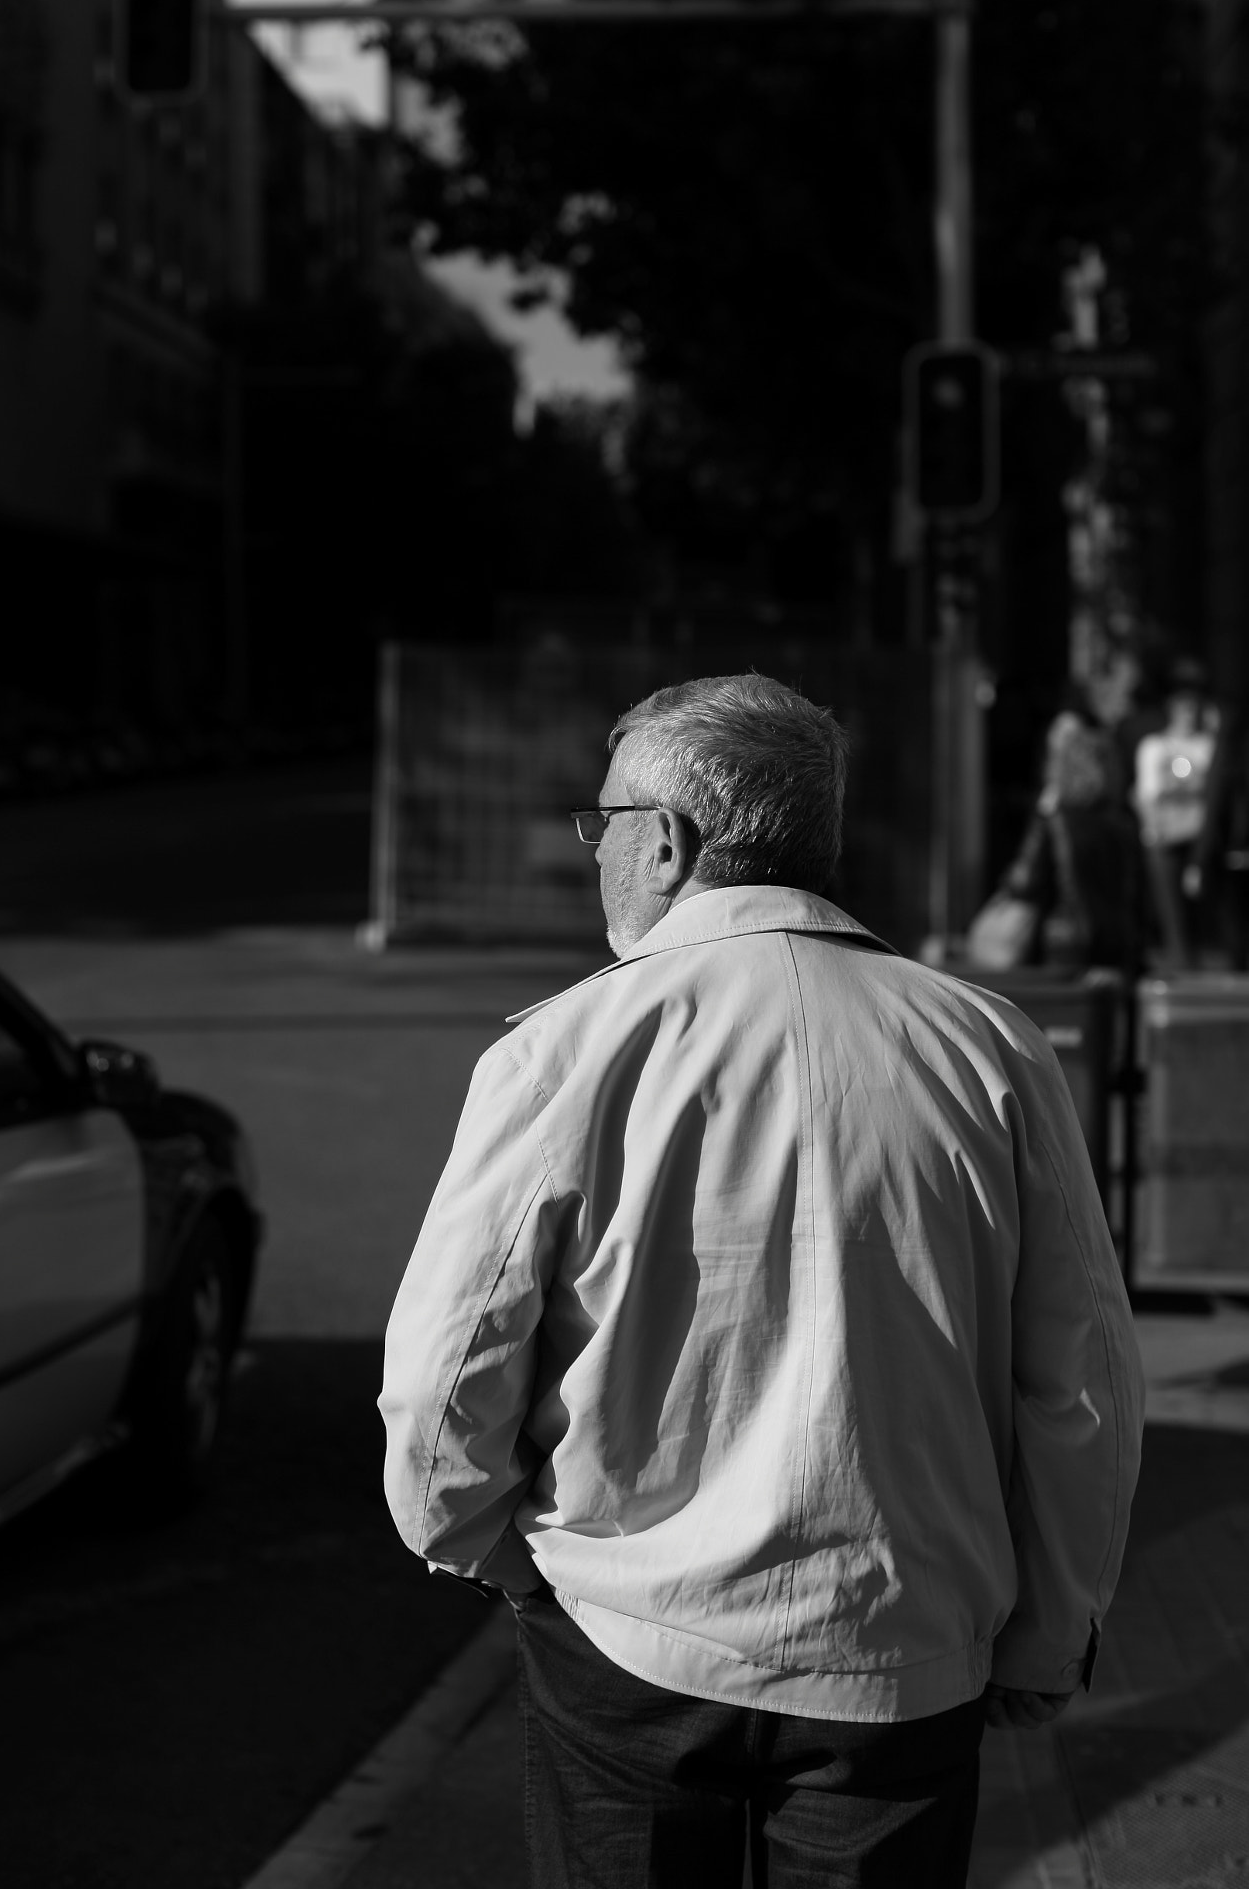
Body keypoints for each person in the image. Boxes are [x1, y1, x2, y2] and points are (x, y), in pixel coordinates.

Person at [381, 673, 1144, 1889]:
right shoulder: (991, 1047)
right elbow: (1084, 1382)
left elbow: (444, 1371)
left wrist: (483, 1546)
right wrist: (1045, 1639)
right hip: (902, 1652)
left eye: (604, 825)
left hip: (623, 1636)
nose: (598, 855)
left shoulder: (565, 1048)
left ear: (669, 842)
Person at [1001, 707, 1145, 974]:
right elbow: (1137, 894)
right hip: (1118, 945)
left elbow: (1024, 882)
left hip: (1066, 945)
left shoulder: (1054, 819)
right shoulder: (1125, 822)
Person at [1133, 670, 1218, 967]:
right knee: (1172, 914)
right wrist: (1153, 830)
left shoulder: (1208, 745)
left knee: (1205, 914)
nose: (1189, 715)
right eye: (1183, 709)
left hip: (1199, 837)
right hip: (1166, 837)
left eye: (1193, 709)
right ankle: (1183, 971)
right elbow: (1146, 795)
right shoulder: (1154, 746)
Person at [1186, 702, 1249, 970]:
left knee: (1237, 932)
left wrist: (1199, 860)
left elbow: (1214, 810)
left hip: (1236, 854)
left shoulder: (1227, 759)